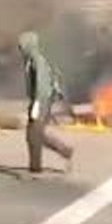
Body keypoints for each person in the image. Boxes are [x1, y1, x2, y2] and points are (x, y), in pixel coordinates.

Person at [18, 31, 73, 175]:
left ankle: (35, 169)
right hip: (40, 100)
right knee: (37, 134)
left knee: (33, 135)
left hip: (41, 101)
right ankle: (65, 151)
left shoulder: (37, 60)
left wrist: (36, 103)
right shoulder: (30, 59)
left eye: (22, 44)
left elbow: (41, 83)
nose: (20, 47)